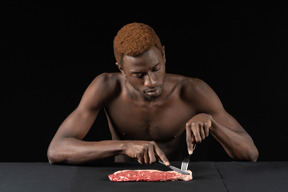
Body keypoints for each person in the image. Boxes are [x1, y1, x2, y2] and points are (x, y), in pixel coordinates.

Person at [47, 22, 259, 166]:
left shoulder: (192, 90)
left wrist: (212, 124)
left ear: (164, 56)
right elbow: (56, 150)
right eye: (139, 75)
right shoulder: (106, 87)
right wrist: (124, 146)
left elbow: (250, 153)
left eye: (156, 69)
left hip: (175, 183)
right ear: (121, 69)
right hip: (124, 182)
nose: (152, 82)